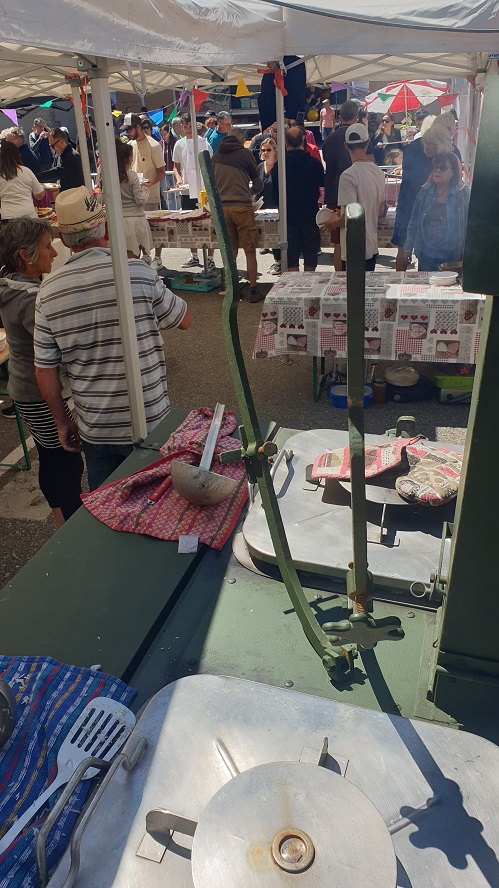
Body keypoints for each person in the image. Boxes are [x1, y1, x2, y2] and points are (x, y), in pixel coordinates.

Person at [34, 186, 192, 491]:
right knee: (156, 504)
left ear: (63, 238)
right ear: (105, 228)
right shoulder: (137, 272)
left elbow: (44, 370)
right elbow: (184, 320)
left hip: (97, 427)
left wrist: (62, 422)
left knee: (106, 506)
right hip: (149, 419)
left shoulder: (48, 292)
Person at [0, 217, 83, 526]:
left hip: (25, 389)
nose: (54, 253)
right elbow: (56, 348)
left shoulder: (9, 284)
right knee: (65, 460)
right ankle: (69, 527)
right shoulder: (31, 298)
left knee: (53, 456)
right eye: (48, 247)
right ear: (26, 255)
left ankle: (62, 519)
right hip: (40, 393)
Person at [392, 115, 461, 270]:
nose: (426, 148)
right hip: (418, 205)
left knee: (404, 250)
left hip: (411, 203)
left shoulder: (413, 148)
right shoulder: (452, 154)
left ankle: (401, 280)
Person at [320, 123, 386, 271]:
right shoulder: (378, 172)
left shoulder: (348, 176)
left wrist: (332, 223)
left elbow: (350, 218)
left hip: (353, 247)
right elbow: (380, 209)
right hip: (371, 244)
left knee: (352, 286)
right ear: (367, 143)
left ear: (346, 146)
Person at [212, 127, 263, 302]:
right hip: (241, 206)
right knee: (249, 250)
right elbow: (258, 183)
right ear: (241, 140)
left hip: (222, 209)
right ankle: (253, 290)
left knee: (230, 251)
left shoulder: (215, 156)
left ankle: (232, 289)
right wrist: (249, 192)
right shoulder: (245, 154)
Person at [322, 100, 373, 270]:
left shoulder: (329, 139)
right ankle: (356, 279)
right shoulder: (362, 136)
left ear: (339, 117)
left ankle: (340, 279)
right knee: (360, 237)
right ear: (357, 116)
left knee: (338, 242)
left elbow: (327, 161)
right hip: (358, 189)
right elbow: (370, 160)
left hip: (333, 192)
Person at [404, 152, 469, 272]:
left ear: (453, 172)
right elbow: (413, 221)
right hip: (425, 256)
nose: (437, 171)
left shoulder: (462, 193)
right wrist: (408, 248)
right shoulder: (424, 192)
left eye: (442, 168)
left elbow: (469, 226)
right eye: (435, 167)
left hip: (452, 257)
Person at [272, 125, 324, 273]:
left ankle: (294, 284)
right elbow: (322, 183)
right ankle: (309, 284)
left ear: (286, 143)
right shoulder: (314, 163)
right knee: (310, 257)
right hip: (310, 214)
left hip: (288, 216)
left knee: (291, 258)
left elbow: (275, 193)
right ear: (303, 141)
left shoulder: (279, 165)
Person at [172, 113, 215, 270]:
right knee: (189, 221)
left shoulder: (204, 142)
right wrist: (178, 178)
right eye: (186, 126)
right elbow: (175, 166)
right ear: (182, 127)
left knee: (207, 222)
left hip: (204, 188)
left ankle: (210, 258)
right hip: (187, 188)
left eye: (191, 126)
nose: (189, 129)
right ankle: (194, 255)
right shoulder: (179, 144)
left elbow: (211, 163)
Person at [124, 113, 166, 269]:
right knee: (139, 230)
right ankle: (145, 257)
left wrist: (150, 184)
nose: (127, 133)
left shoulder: (154, 146)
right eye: (126, 130)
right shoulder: (130, 145)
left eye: (129, 130)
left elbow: (161, 171)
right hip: (134, 195)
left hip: (150, 194)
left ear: (138, 127)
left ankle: (158, 258)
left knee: (155, 228)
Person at [116, 141, 153, 260]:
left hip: (118, 220)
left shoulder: (111, 175)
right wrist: (146, 190)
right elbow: (140, 200)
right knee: (135, 259)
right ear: (127, 159)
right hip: (136, 220)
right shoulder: (132, 175)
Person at [0, 140, 44, 220]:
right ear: (17, 154)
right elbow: (40, 194)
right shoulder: (26, 171)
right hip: (29, 215)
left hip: (7, 217)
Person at [256, 137, 281, 274]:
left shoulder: (279, 166)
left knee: (277, 236)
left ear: (275, 151)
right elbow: (257, 187)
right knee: (268, 236)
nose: (265, 152)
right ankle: (277, 261)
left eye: (268, 150)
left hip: (277, 206)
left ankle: (279, 262)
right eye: (263, 150)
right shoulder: (260, 166)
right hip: (263, 207)